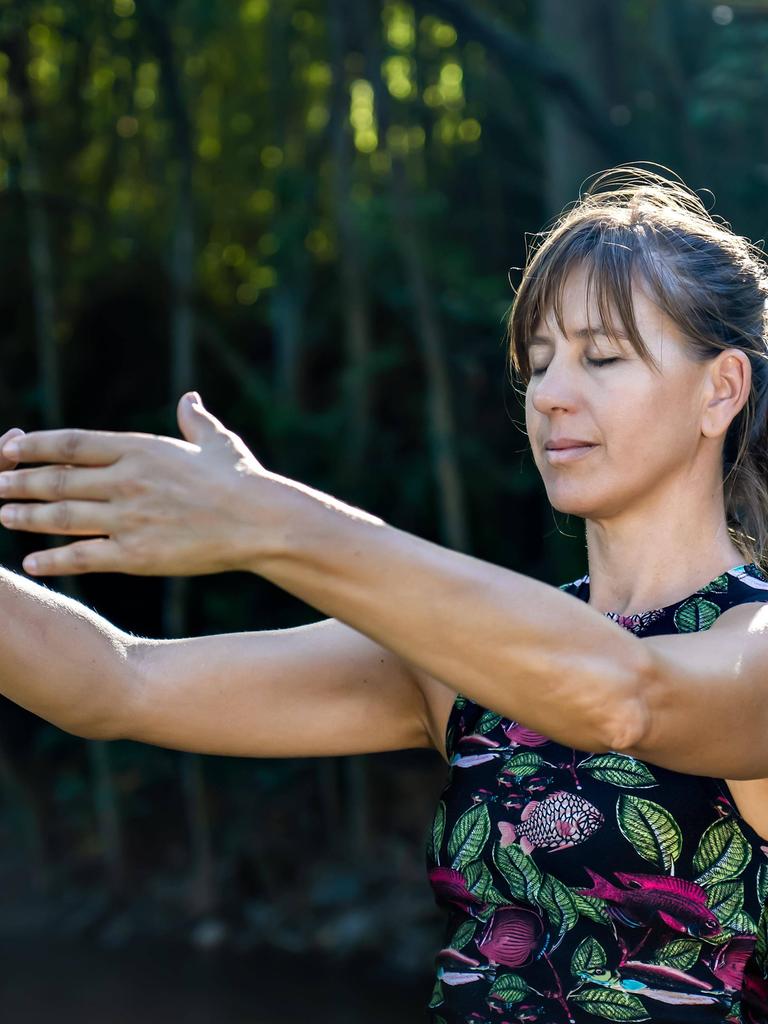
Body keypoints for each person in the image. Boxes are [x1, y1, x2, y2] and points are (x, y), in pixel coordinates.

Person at [0, 164, 767, 1022]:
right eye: (539, 361)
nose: (550, 395)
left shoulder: (755, 639)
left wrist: (271, 521)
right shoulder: (467, 661)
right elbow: (114, 681)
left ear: (720, 389)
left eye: (601, 356)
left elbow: (626, 697)